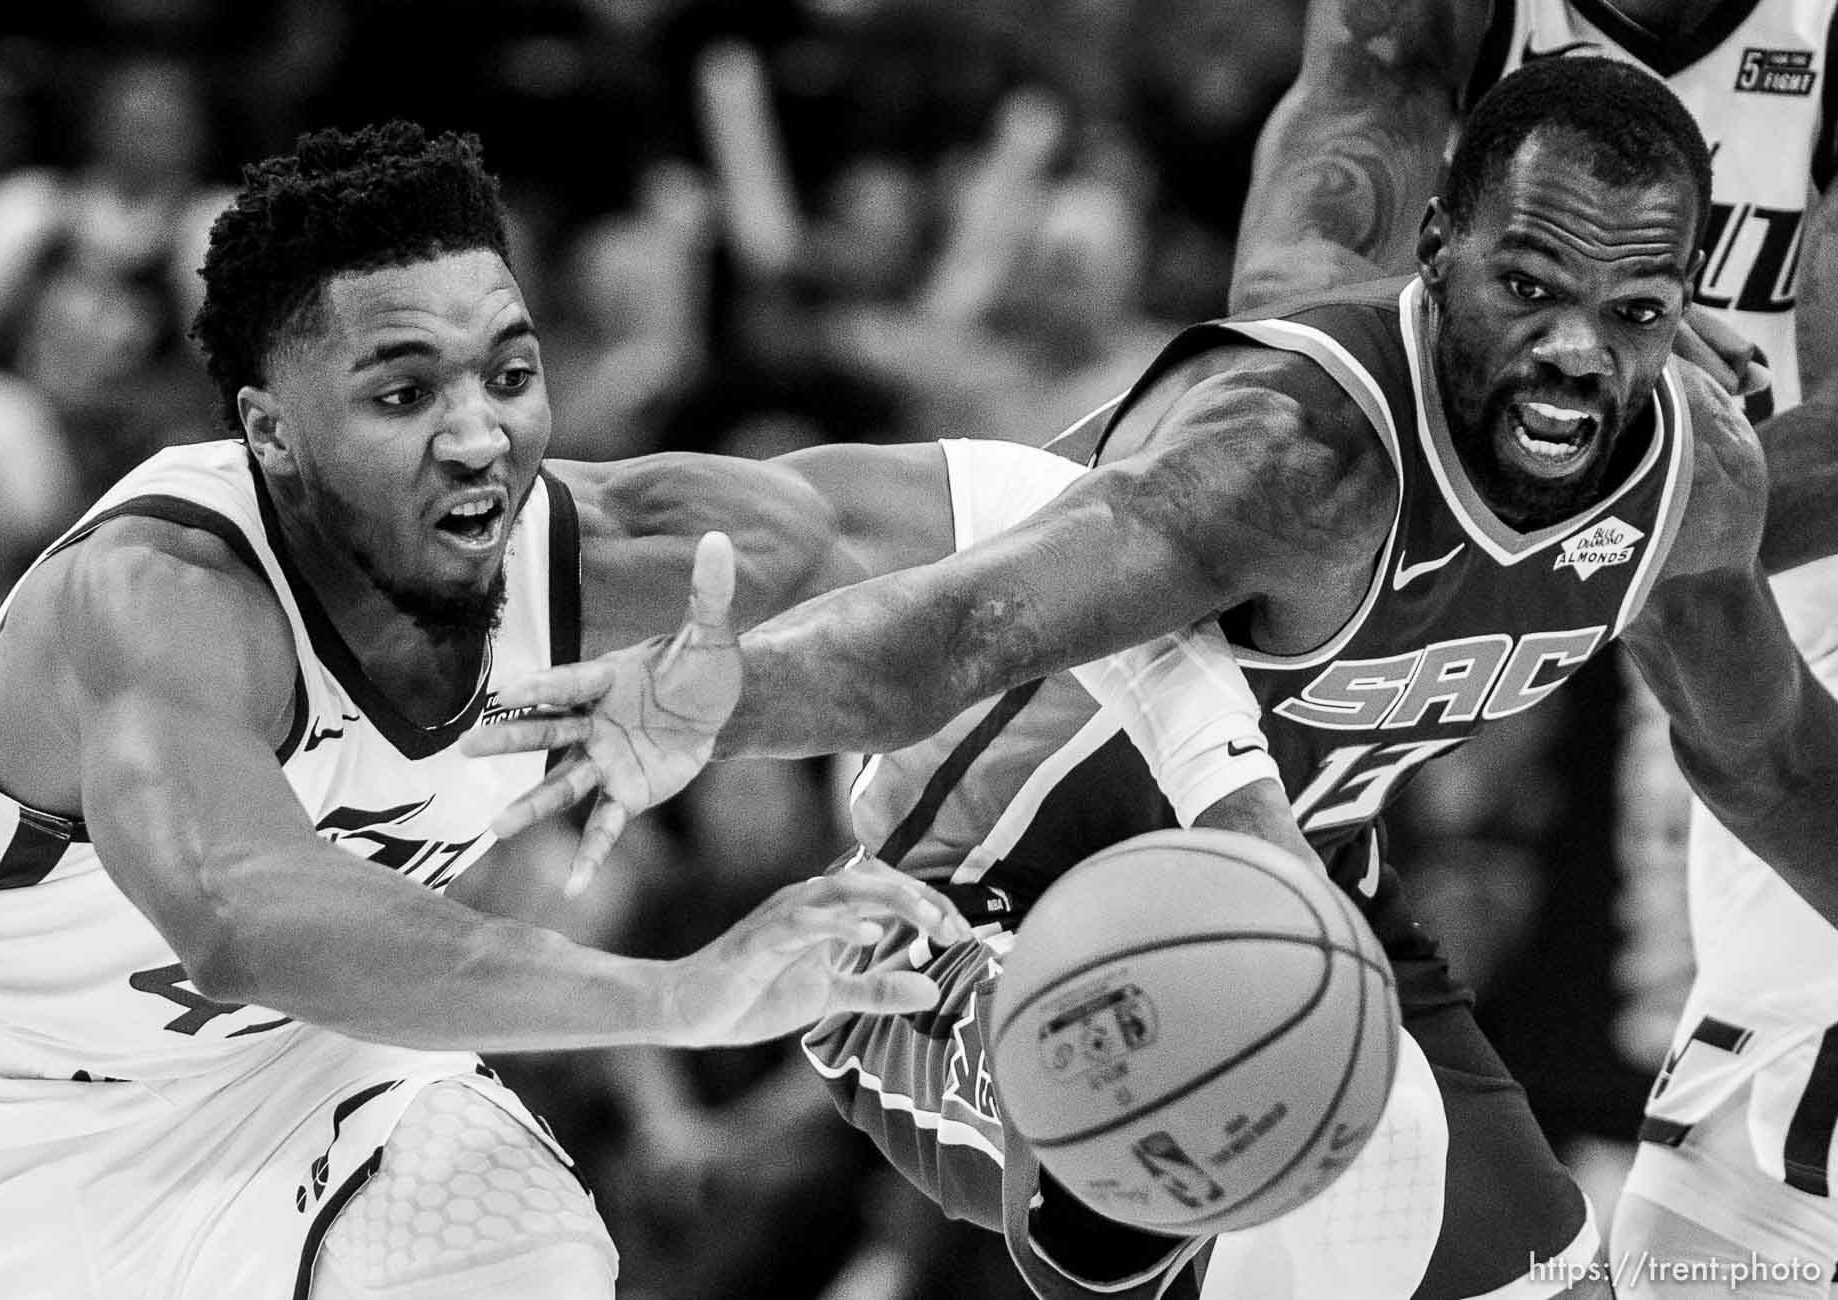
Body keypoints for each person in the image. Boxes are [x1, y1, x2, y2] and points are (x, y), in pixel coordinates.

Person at [470, 58, 1838, 1299]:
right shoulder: (1293, 458)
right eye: (1529, 288)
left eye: (1634, 309)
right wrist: (727, 706)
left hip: (1308, 909)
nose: (1575, 351)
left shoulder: (1686, 483)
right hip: (972, 925)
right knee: (1285, 1164)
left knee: (1546, 1278)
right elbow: (954, 635)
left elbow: (1775, 761)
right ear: (1436, 250)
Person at [0, 121, 999, 1300]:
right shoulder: (161, 592)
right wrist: (675, 993)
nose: (478, 437)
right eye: (406, 391)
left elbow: (1019, 523)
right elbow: (237, 922)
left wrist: (1197, 524)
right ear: (271, 430)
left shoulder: (583, 553)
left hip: (280, 1086)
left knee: (522, 1255)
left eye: (509, 376)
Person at [1232, 1, 1838, 1291]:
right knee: (1710, 1223)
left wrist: (1616, 463)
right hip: (1584, 545)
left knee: (1751, 1182)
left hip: (1763, 564)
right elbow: (1289, 311)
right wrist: (1590, 371)